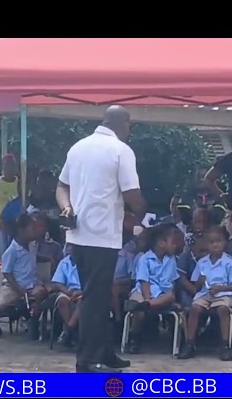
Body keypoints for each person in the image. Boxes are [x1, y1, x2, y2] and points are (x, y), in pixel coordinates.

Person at [57, 105, 146, 373]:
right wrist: (143, 213)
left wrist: (66, 207)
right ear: (124, 124)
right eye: (129, 126)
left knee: (98, 294)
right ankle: (88, 360)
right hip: (103, 235)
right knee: (95, 299)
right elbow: (132, 194)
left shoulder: (78, 147)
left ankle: (105, 352)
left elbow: (62, 186)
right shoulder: (121, 150)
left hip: (78, 234)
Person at [178, 226, 232, 362]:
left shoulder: (230, 263)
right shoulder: (202, 262)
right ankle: (190, 344)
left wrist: (221, 288)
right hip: (204, 294)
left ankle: (225, 346)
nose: (215, 245)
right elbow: (196, 286)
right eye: (211, 242)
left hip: (224, 294)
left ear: (224, 243)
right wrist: (200, 282)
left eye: (218, 241)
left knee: (223, 309)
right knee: (194, 308)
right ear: (207, 245)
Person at [0, 213, 47, 338]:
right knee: (6, 303)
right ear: (21, 230)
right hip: (13, 285)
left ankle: (32, 320)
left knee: (41, 293)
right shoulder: (12, 251)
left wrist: (47, 258)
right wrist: (18, 288)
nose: (35, 231)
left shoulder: (32, 245)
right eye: (32, 228)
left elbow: (32, 257)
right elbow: (6, 272)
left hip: (31, 284)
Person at [124, 224, 179, 353]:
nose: (175, 245)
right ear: (161, 243)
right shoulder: (144, 259)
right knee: (139, 311)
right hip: (142, 291)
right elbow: (144, 281)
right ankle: (134, 339)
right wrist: (147, 297)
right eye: (172, 242)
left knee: (169, 297)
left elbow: (172, 283)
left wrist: (150, 302)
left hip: (161, 295)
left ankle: (146, 305)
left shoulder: (171, 260)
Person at [0, 154, 22, 260]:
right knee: (1, 257)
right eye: (6, 165)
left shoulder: (19, 183)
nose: (9, 168)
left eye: (12, 165)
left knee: (12, 257)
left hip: (12, 226)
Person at [49, 244, 82, 347]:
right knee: (62, 301)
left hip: (83, 292)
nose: (71, 249)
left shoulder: (88, 263)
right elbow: (57, 283)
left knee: (83, 302)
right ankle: (70, 328)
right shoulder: (64, 263)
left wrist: (80, 292)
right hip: (67, 290)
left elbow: (92, 283)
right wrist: (66, 291)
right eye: (69, 247)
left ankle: (68, 328)